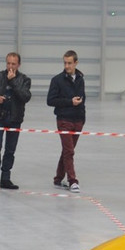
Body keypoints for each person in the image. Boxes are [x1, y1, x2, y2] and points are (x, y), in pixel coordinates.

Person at [0, 52, 31, 190]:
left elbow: (25, 97)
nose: (10, 66)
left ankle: (5, 178)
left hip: (15, 119)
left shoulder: (25, 80)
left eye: (13, 64)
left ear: (19, 65)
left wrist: (13, 81)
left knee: (10, 150)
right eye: (8, 63)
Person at [47, 50, 86, 193]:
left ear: (76, 63)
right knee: (69, 151)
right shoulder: (57, 80)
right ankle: (72, 181)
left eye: (69, 63)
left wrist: (82, 115)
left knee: (67, 150)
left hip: (78, 120)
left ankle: (58, 178)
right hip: (64, 120)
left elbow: (82, 97)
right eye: (65, 63)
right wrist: (70, 102)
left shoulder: (80, 78)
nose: (67, 66)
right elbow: (50, 100)